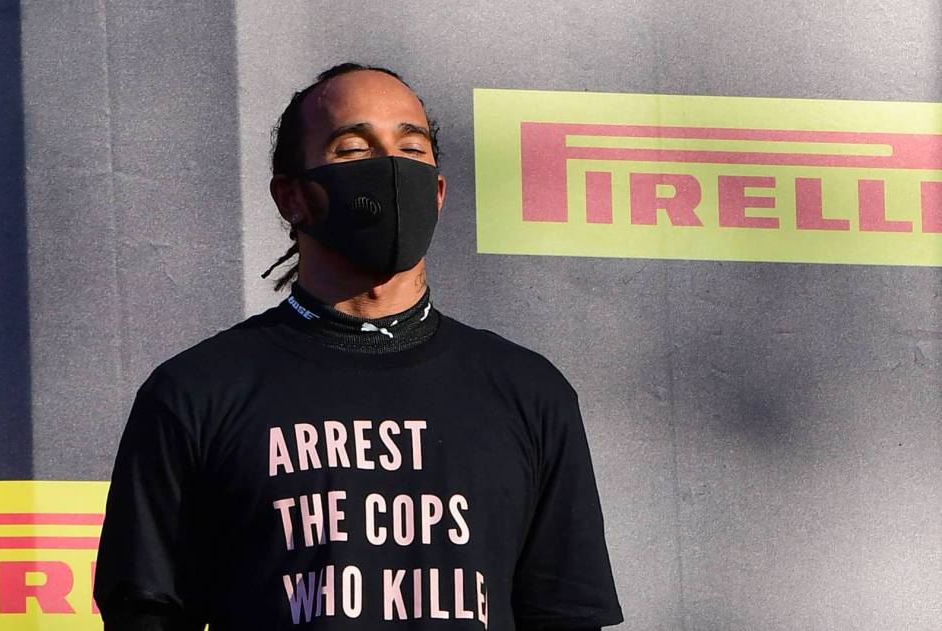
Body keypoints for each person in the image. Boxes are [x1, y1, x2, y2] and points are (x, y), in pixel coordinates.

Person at [93, 62, 623, 631]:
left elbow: (566, 614)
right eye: (353, 149)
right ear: (292, 197)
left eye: (411, 150)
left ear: (439, 192)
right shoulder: (195, 393)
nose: (391, 170)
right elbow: (145, 612)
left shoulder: (529, 393)